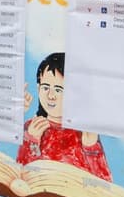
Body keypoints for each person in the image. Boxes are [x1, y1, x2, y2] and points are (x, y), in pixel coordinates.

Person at [17, 52, 111, 181]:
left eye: (59, 90)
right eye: (45, 88)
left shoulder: (83, 132)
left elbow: (104, 182)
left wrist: (91, 147)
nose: (51, 96)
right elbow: (21, 174)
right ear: (38, 89)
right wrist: (31, 141)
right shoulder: (32, 127)